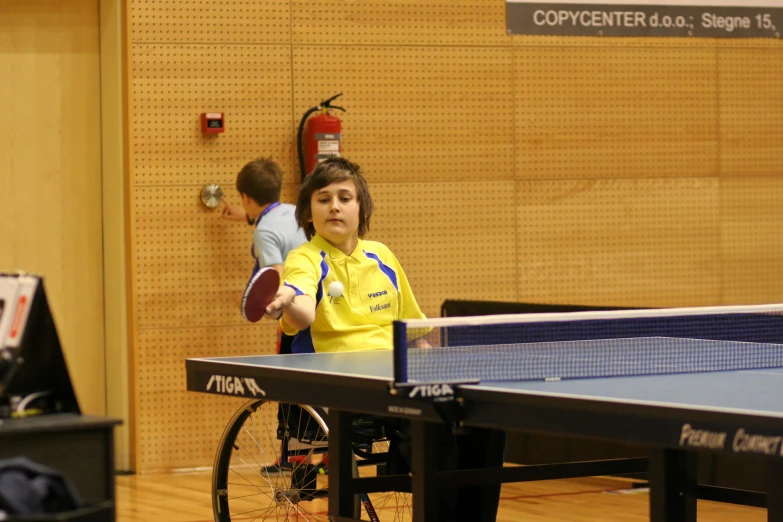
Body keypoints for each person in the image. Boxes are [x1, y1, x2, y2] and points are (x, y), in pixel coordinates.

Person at [265, 157, 503, 522]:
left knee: (483, 413)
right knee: (432, 414)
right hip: (341, 382)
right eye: (323, 198)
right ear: (308, 213)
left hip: (393, 373)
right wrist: (285, 301)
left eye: (345, 197)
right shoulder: (305, 258)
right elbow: (303, 307)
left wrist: (432, 369)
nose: (335, 206)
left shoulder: (382, 256)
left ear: (361, 209)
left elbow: (414, 332)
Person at [221, 156, 307, 355]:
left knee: (291, 376)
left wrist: (249, 301)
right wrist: (245, 216)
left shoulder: (264, 232)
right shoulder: (293, 211)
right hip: (318, 302)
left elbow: (277, 277)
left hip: (297, 314)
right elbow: (277, 229)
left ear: (246, 198)